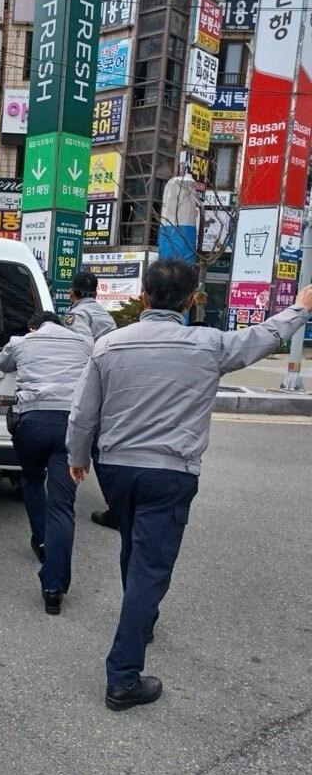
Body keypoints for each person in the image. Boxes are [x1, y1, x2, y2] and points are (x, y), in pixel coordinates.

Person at [67, 261, 312, 712]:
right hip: (171, 472)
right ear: (192, 300)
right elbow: (261, 339)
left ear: (144, 297)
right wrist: (298, 309)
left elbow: (83, 414)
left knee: (133, 545)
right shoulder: (211, 344)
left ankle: (143, 619)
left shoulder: (109, 345)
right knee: (150, 566)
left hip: (116, 468)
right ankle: (123, 679)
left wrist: (77, 457)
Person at [0, 312, 93, 614]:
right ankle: (53, 587)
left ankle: (40, 541)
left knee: (32, 480)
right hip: (70, 425)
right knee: (63, 505)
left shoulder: (22, 341)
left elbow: (1, 365)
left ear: (32, 326)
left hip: (32, 421)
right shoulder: (84, 342)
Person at [63, 271, 119, 532]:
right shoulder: (103, 314)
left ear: (72, 293)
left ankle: (117, 509)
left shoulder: (77, 315)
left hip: (95, 380)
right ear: (96, 293)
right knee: (105, 444)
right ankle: (119, 504)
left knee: (92, 442)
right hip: (112, 381)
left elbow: (82, 348)